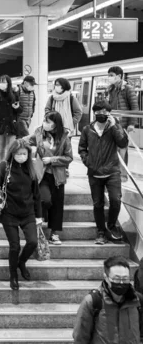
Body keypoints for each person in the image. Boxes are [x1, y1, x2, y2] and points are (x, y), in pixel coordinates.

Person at [0, 139, 42, 291]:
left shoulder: (31, 168)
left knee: (32, 242)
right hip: (9, 212)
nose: (21, 156)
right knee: (14, 245)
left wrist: (39, 216)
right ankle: (13, 275)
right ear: (13, 153)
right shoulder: (5, 166)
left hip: (27, 212)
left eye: (24, 154)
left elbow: (36, 194)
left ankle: (21, 262)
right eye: (18, 153)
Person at [78, 101, 128, 245]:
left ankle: (111, 226)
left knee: (116, 200)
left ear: (109, 113)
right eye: (98, 112)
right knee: (97, 203)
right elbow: (82, 148)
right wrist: (88, 161)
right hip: (94, 172)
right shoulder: (87, 129)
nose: (101, 115)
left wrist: (116, 127)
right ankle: (101, 231)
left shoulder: (114, 128)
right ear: (94, 113)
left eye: (105, 112)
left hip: (112, 171)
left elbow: (123, 143)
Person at [25, 111, 73, 245]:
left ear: (55, 124)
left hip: (58, 176)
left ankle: (55, 233)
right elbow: (25, 141)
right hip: (42, 174)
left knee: (57, 204)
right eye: (44, 120)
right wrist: (31, 149)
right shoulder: (39, 133)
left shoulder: (64, 137)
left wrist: (53, 159)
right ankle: (39, 221)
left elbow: (69, 158)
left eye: (48, 122)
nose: (45, 123)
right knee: (44, 199)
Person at [107, 65, 139, 182]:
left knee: (123, 149)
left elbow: (134, 107)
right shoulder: (111, 90)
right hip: (112, 124)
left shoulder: (128, 89)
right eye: (108, 75)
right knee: (113, 149)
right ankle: (114, 173)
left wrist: (132, 124)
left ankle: (123, 175)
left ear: (119, 76)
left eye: (111, 75)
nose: (109, 78)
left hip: (124, 124)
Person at [0, 74, 22, 164]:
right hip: (0, 125)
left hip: (11, 125)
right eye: (0, 82)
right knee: (0, 148)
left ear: (8, 83)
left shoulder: (14, 94)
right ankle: (0, 165)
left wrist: (17, 108)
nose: (1, 84)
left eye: (4, 82)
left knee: (10, 147)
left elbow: (20, 110)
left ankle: (8, 165)